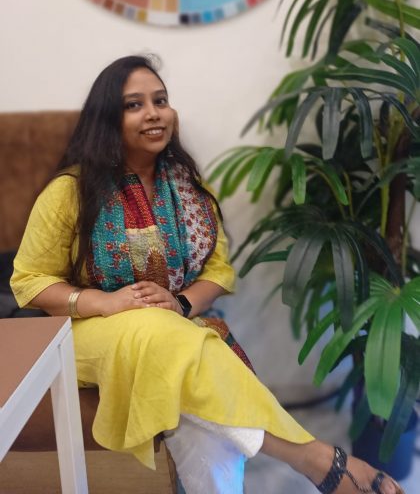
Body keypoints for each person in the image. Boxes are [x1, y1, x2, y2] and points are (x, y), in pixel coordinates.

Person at [11, 55, 403, 494]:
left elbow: (217, 271)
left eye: (160, 101)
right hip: (86, 332)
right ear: (107, 118)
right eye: (134, 105)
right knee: (160, 333)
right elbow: (30, 279)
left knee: (191, 397)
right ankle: (314, 459)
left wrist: (180, 303)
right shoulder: (70, 191)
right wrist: (107, 302)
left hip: (177, 329)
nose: (154, 113)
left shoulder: (188, 187)